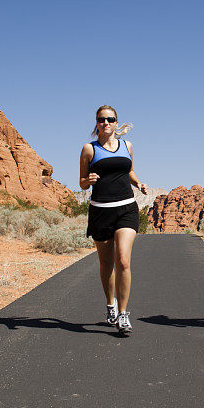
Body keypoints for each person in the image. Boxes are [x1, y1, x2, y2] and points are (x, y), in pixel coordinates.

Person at [79, 105, 148, 336]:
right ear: (97, 123)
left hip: (126, 208)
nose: (106, 123)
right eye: (102, 119)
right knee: (106, 263)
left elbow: (128, 171)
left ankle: (124, 313)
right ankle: (111, 305)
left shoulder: (127, 146)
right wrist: (88, 180)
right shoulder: (89, 149)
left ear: (117, 123)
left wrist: (138, 183)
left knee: (123, 261)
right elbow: (81, 182)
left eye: (110, 119)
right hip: (101, 211)